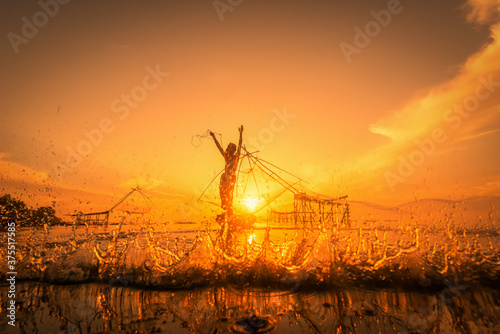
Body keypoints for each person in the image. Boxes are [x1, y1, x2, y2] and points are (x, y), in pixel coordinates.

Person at [210, 125, 243, 217]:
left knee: (229, 196)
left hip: (231, 178)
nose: (227, 150)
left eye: (229, 148)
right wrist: (213, 137)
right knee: (223, 196)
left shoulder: (236, 157)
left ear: (232, 150)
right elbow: (219, 147)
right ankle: (226, 213)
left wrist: (241, 134)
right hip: (225, 178)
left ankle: (229, 214)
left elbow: (240, 145)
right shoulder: (226, 157)